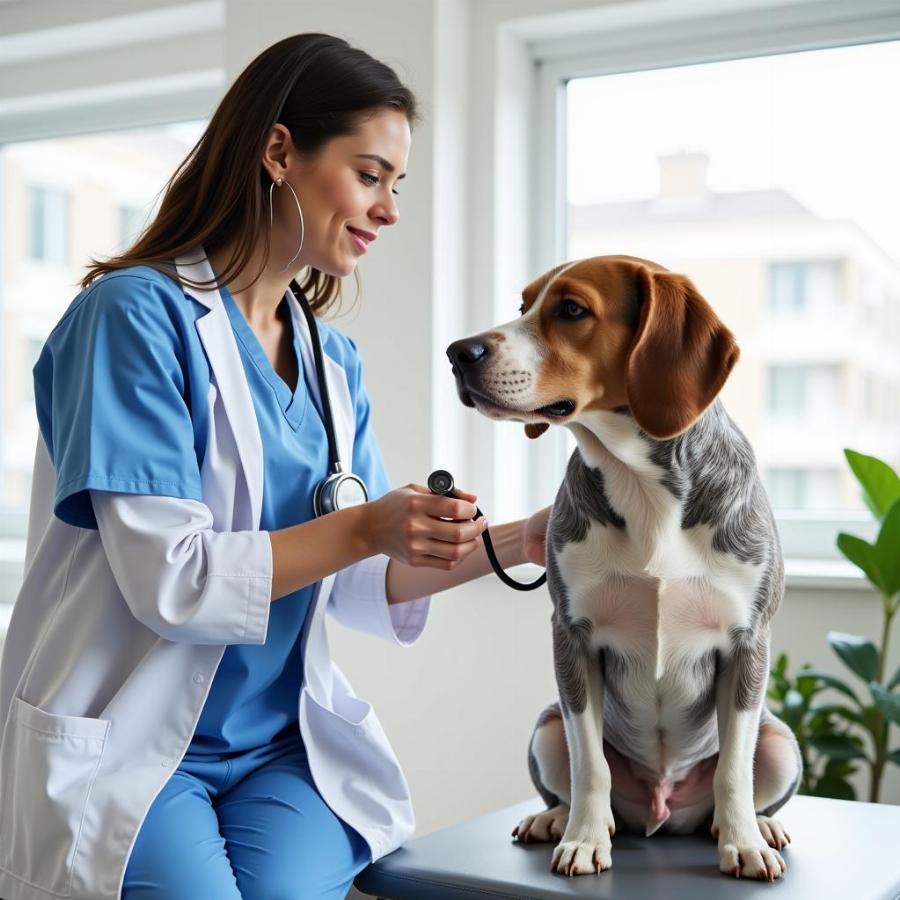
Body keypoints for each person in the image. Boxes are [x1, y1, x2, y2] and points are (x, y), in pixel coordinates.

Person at [0, 33, 551, 900]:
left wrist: (524, 538)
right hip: (131, 740)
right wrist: (369, 523)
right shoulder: (132, 316)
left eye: (395, 185)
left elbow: (359, 583)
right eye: (370, 175)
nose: (390, 209)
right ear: (280, 151)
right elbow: (172, 582)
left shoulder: (332, 364)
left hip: (278, 750)